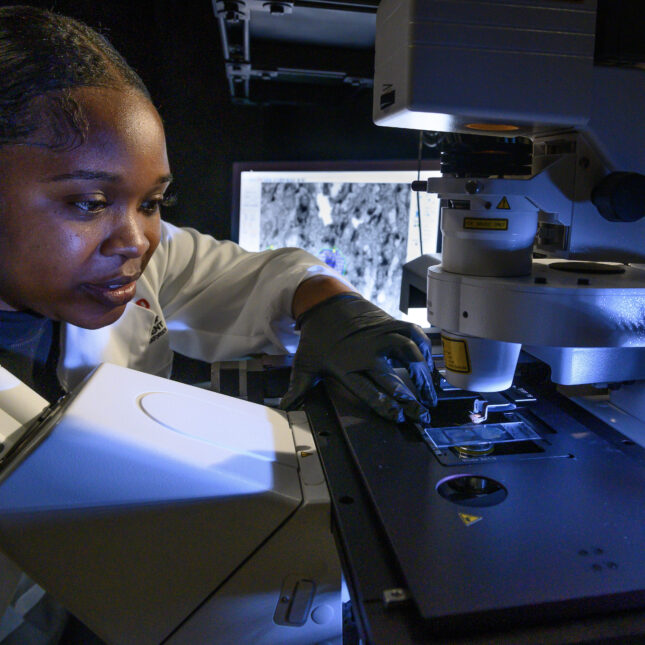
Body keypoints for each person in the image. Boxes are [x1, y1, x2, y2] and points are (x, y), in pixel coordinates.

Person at [0, 5, 437, 642]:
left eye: (152, 202)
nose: (134, 240)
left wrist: (331, 303)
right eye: (89, 202)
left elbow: (252, 276)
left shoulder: (132, 259)